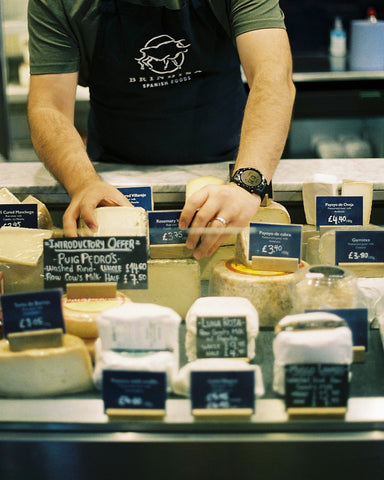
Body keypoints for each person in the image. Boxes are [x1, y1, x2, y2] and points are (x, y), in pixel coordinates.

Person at [27, 0, 295, 259]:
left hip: (227, 178)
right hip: (113, 185)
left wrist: (247, 183)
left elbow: (272, 77)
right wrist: (83, 183)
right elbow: (49, 108)